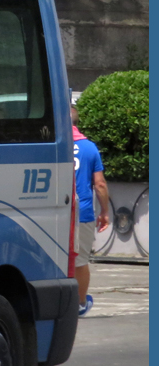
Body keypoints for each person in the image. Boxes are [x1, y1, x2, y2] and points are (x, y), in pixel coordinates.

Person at [71, 105, 110, 315]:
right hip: (83, 211)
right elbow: (100, 184)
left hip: (58, 210)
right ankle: (79, 304)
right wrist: (104, 211)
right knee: (80, 260)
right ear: (77, 123)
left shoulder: (54, 146)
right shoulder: (89, 148)